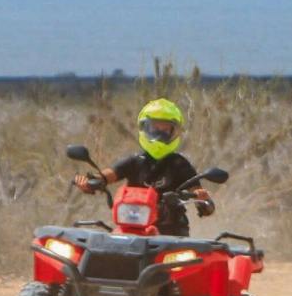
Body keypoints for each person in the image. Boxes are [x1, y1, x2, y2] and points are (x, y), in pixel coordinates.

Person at [72, 98, 214, 236]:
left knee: (188, 258)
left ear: (174, 132)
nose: (160, 134)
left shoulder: (180, 164)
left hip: (172, 234)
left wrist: (203, 199)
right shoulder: (135, 161)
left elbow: (199, 194)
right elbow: (107, 175)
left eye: (165, 130)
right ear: (144, 128)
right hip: (133, 228)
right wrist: (89, 182)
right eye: (155, 128)